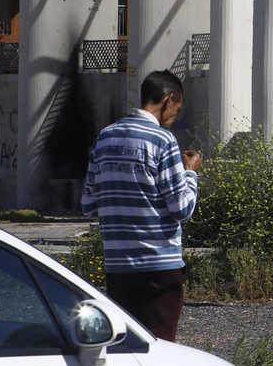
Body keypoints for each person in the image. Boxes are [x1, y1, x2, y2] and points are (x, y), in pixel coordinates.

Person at [80, 70, 202, 341]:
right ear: (169, 99)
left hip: (118, 265)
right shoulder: (163, 140)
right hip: (159, 266)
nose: (174, 117)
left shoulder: (104, 138)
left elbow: (88, 203)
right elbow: (182, 209)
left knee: (126, 346)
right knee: (160, 347)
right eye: (176, 109)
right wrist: (190, 173)